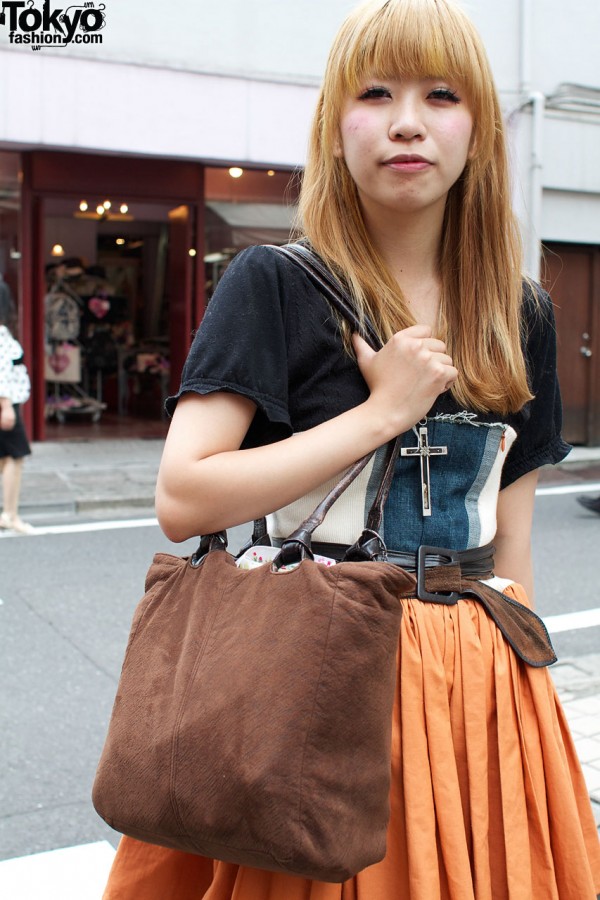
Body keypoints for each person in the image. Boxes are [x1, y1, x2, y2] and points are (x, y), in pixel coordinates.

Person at [102, 0, 600, 896]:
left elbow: (511, 543)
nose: (408, 120)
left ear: (478, 131)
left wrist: (520, 695)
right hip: (311, 673)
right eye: (375, 93)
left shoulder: (518, 313)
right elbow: (184, 496)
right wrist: (379, 415)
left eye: (440, 95)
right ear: (337, 130)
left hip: (473, 689)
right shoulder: (275, 285)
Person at [0, 276, 33, 535]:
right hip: (5, 403)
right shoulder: (1, 333)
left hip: (6, 401)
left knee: (6, 457)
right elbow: (1, 372)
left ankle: (8, 513)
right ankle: (10, 514)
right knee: (16, 455)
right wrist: (7, 405)